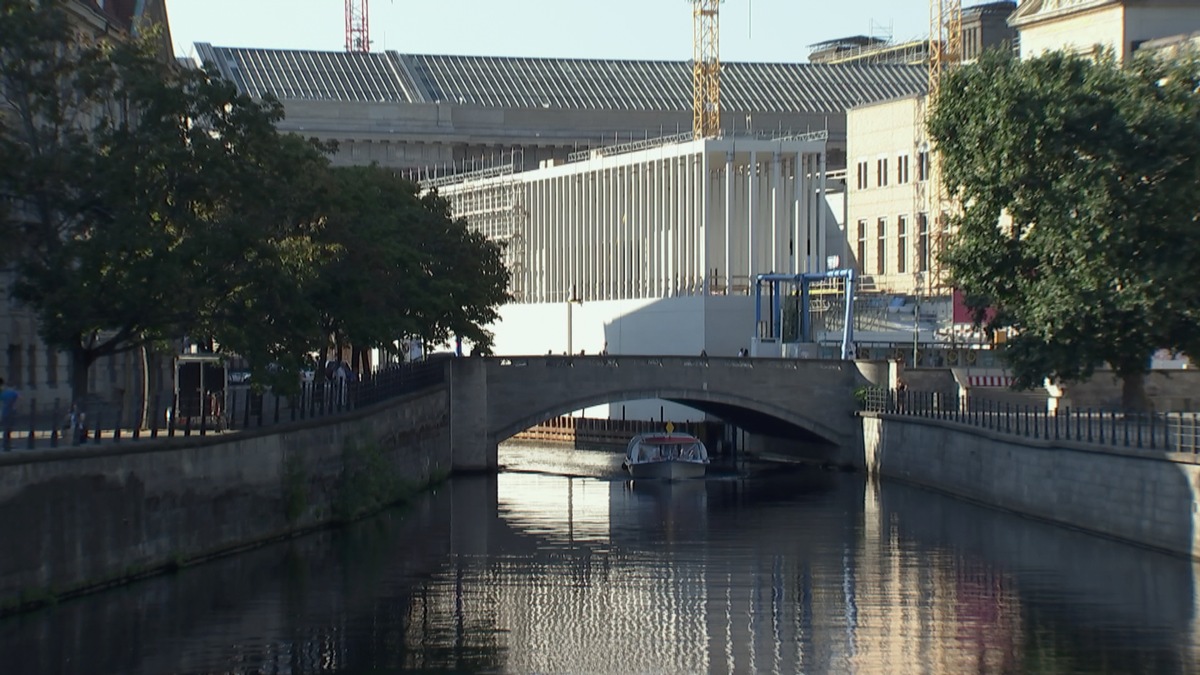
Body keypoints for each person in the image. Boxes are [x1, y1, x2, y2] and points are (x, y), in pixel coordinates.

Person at [0, 378, 18, 449]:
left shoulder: (3, 393)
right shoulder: (14, 393)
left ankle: (5, 443)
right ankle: (8, 444)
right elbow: (17, 402)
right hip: (11, 412)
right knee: (9, 429)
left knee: (5, 428)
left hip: (4, 412)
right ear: (14, 386)